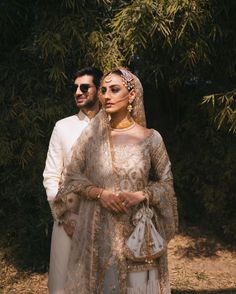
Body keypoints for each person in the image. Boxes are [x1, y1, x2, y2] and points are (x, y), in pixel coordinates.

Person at [52, 68, 178, 294]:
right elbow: (71, 176)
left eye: (114, 89)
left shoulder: (151, 138)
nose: (106, 95)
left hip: (138, 235)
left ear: (132, 95)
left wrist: (141, 195)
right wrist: (101, 194)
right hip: (99, 235)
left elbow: (167, 184)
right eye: (103, 90)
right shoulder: (91, 137)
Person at [43, 66, 103, 294]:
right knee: (63, 286)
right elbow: (50, 176)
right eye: (75, 87)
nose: (78, 92)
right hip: (68, 220)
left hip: (104, 219)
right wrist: (64, 215)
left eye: (84, 87)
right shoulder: (62, 127)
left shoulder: (112, 127)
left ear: (98, 90)